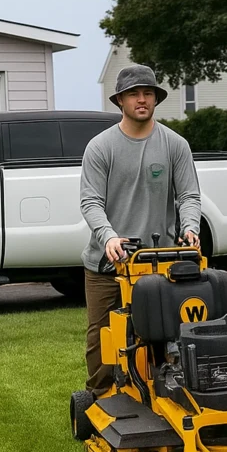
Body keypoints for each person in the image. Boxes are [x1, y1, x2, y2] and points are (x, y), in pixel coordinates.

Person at [80, 64, 201, 396]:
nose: (142, 99)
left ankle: (165, 393)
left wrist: (190, 227)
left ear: (156, 99)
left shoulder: (174, 144)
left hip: (156, 261)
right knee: (103, 334)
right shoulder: (101, 147)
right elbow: (90, 202)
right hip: (108, 263)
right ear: (120, 100)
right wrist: (108, 237)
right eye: (134, 94)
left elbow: (189, 195)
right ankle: (102, 399)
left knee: (165, 333)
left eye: (148, 93)